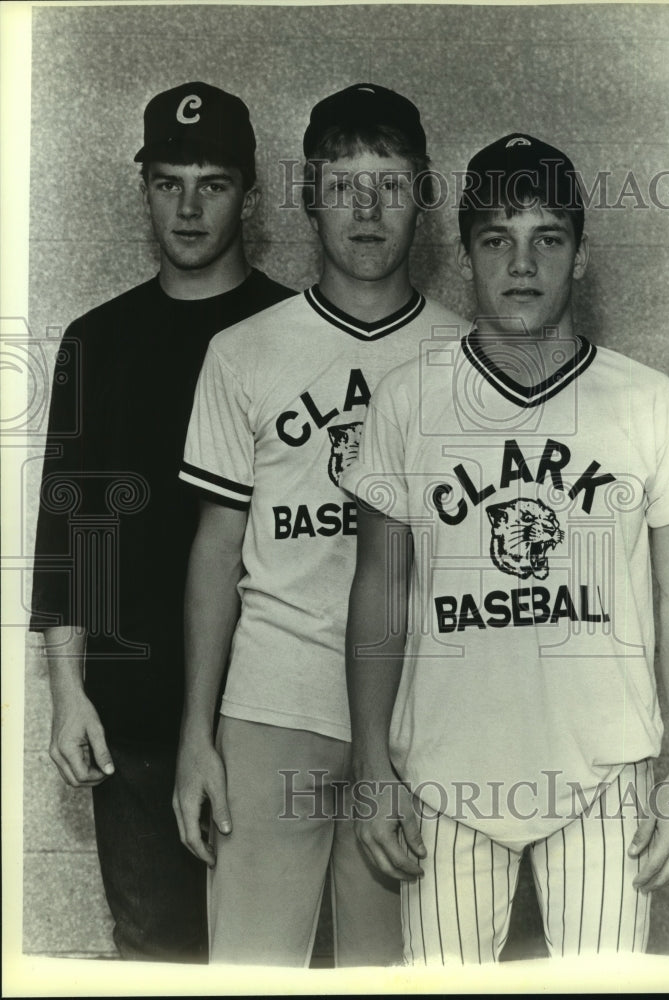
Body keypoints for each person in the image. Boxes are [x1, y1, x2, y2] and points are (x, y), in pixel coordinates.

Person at [343, 132, 669, 963]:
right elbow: (377, 595)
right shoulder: (408, 400)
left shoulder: (647, 401)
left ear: (579, 258)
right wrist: (372, 767)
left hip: (606, 767)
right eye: (495, 239)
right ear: (465, 256)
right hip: (445, 770)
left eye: (547, 238)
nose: (521, 263)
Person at [172, 82, 466, 967]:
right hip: (274, 703)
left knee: (394, 973)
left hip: (422, 711)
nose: (366, 210)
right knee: (249, 971)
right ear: (307, 196)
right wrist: (196, 735)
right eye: (343, 185)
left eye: (388, 183)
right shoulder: (243, 351)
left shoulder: (468, 356)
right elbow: (217, 549)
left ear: (423, 194)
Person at [29, 81, 294, 963]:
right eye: (168, 180)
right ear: (142, 186)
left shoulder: (290, 330)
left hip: (269, 712)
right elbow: (75, 533)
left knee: (284, 964)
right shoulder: (98, 340)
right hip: (135, 720)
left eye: (212, 182)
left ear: (249, 194)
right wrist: (70, 691)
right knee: (156, 958)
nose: (187, 205)